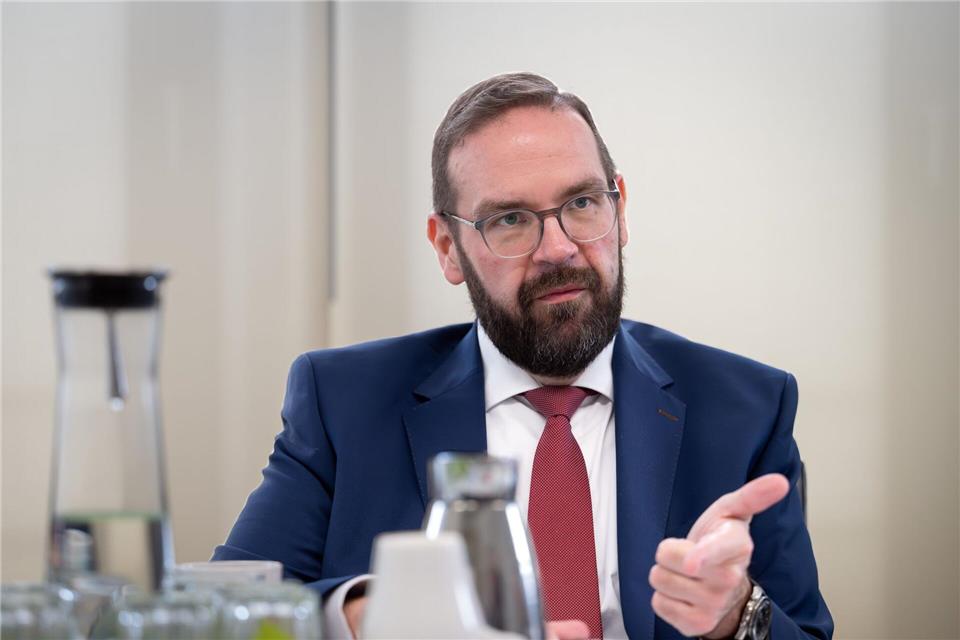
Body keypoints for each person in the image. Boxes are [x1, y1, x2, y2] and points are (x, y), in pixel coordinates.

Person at [213, 72, 833, 639]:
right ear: (448, 248)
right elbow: (223, 612)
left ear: (620, 210)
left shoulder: (745, 407)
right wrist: (365, 614)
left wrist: (734, 615)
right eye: (510, 219)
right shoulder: (343, 401)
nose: (559, 248)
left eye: (583, 204)